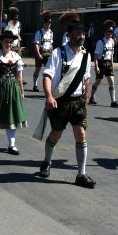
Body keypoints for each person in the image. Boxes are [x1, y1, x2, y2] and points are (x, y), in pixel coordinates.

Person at [36, 12, 95, 189]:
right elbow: (47, 76)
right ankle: (46, 162)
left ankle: (81, 174)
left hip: (78, 103)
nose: (81, 37)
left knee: (81, 134)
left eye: (83, 34)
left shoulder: (86, 56)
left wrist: (86, 101)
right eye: (77, 34)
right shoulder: (58, 53)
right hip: (60, 101)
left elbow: (86, 79)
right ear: (69, 35)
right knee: (57, 134)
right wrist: (49, 96)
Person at [89, 20, 118, 108]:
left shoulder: (112, 42)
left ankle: (113, 101)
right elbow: (95, 56)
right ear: (105, 33)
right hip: (101, 63)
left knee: (111, 82)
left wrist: (112, 65)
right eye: (108, 32)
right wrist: (96, 67)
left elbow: (111, 55)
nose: (109, 34)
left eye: (110, 32)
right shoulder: (100, 42)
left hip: (108, 64)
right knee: (98, 81)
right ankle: (92, 97)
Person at [32, 11, 54, 92]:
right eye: (47, 23)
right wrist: (38, 54)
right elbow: (36, 44)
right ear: (44, 23)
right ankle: (35, 85)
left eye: (49, 23)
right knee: (37, 69)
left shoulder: (51, 33)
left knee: (48, 71)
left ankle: (47, 87)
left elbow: (51, 44)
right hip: (40, 53)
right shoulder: (39, 32)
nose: (48, 25)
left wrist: (51, 53)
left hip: (48, 53)